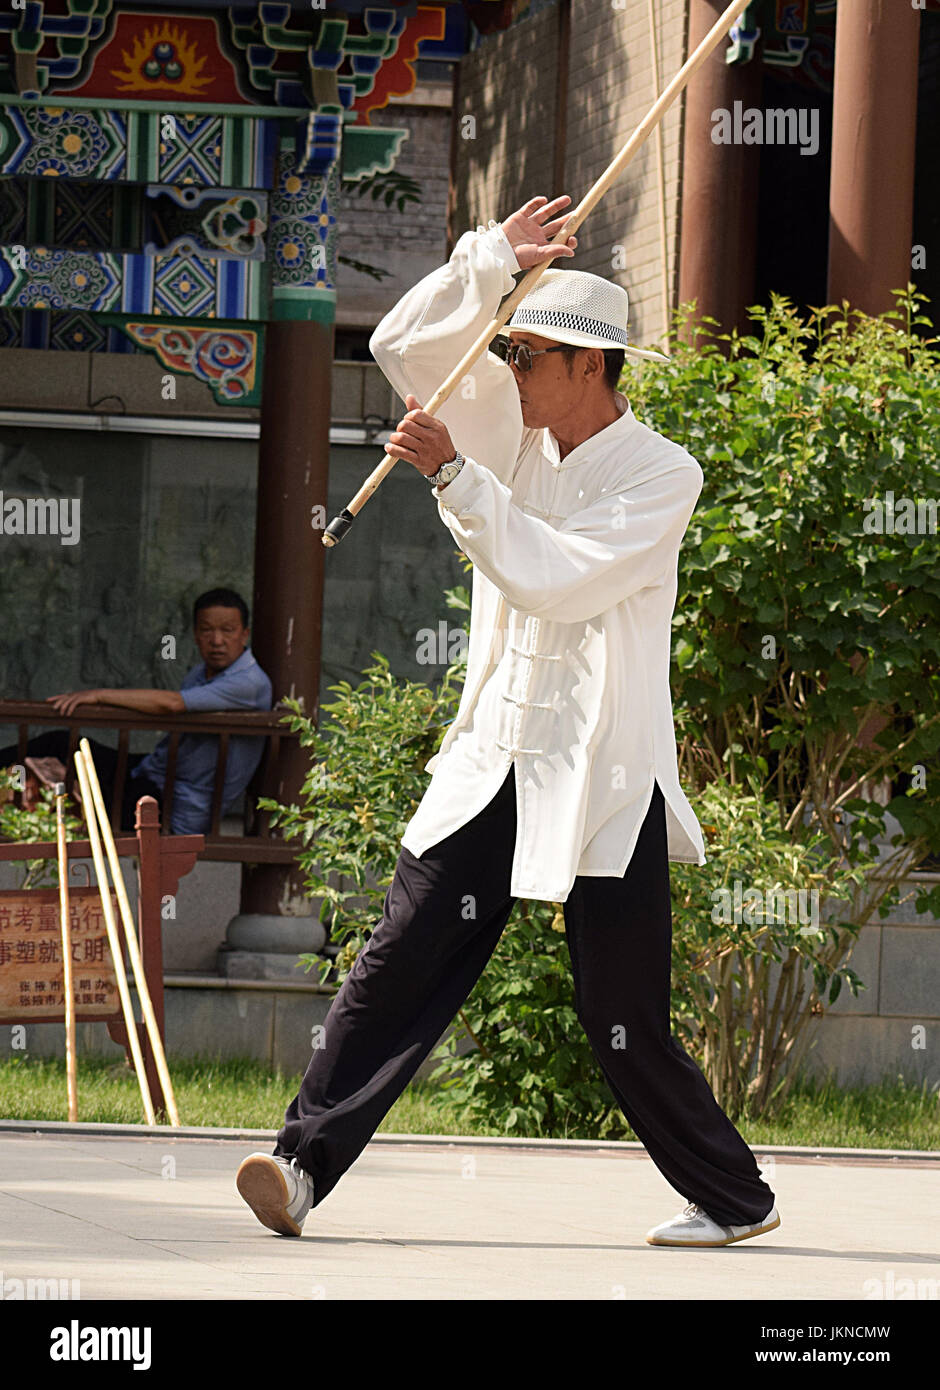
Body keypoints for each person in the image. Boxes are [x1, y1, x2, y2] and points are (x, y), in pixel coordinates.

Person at [236, 195, 779, 1248]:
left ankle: (732, 1194)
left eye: (524, 355)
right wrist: (490, 263)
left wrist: (451, 476)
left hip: (601, 780)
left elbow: (560, 583)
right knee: (398, 956)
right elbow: (404, 347)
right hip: (494, 757)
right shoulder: (513, 431)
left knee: (620, 1018)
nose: (508, 372)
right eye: (508, 351)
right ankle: (299, 1163)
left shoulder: (664, 472)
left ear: (588, 364)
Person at [0, 587, 272, 835]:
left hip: (175, 805)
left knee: (78, 792)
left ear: (244, 634)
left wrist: (98, 695)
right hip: (150, 771)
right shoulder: (200, 673)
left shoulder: (249, 683)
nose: (217, 640)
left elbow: (173, 703)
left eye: (228, 630)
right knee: (62, 743)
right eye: (207, 630)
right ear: (195, 634)